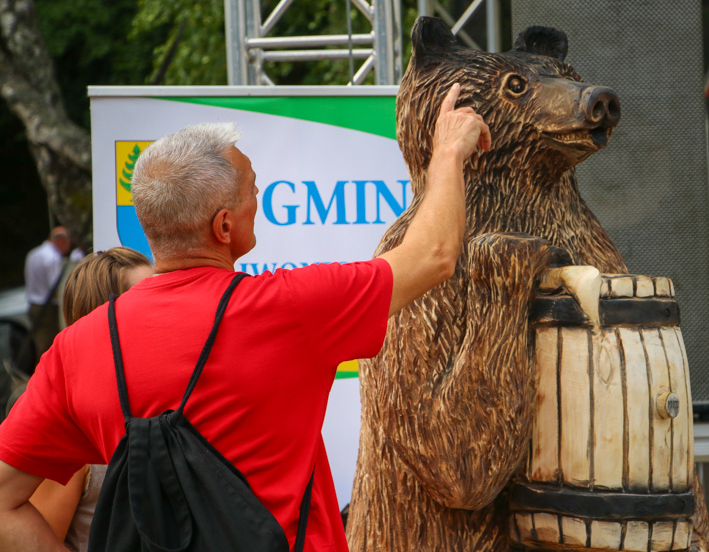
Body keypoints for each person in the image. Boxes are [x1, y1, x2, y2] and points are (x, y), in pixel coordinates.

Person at [0, 83, 491, 551]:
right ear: (224, 225)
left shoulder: (75, 349)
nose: (259, 199)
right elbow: (434, 255)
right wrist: (448, 152)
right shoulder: (287, 309)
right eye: (253, 189)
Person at [24, 247, 153, 552]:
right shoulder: (67, 420)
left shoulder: (164, 396)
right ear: (100, 321)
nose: (162, 305)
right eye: (145, 299)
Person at [22, 227, 74, 364]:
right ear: (60, 240)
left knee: (40, 344)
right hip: (47, 309)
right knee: (48, 347)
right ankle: (46, 380)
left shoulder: (33, 254)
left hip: (33, 305)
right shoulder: (53, 258)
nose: (69, 246)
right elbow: (56, 288)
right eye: (68, 242)